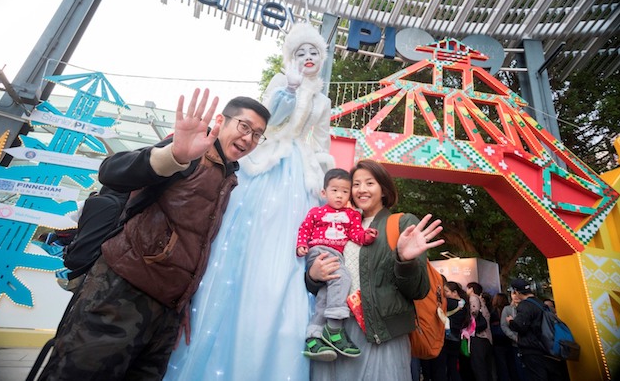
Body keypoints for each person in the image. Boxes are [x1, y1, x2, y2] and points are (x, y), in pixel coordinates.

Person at [38, 90, 271, 380]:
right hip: (120, 292)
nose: (249, 138)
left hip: (165, 314)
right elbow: (111, 171)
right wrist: (174, 155)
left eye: (257, 134)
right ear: (221, 120)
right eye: (244, 126)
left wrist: (181, 303)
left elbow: (195, 244)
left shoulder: (229, 177)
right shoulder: (189, 154)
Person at [165, 22, 335, 381]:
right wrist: (287, 90)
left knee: (287, 256)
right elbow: (268, 121)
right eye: (301, 52)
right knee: (237, 240)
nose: (307, 58)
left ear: (322, 59)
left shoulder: (323, 101)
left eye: (314, 53)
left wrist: (320, 173)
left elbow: (321, 142)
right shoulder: (279, 81)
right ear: (291, 56)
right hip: (266, 163)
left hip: (298, 175)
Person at [306, 159, 444, 381]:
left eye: (369, 183)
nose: (361, 189)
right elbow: (323, 280)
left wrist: (404, 260)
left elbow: (418, 290)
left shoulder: (402, 224)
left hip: (382, 333)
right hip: (338, 328)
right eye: (356, 184)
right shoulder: (339, 223)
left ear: (383, 189)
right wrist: (313, 276)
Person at [297, 168, 378, 361]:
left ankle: (313, 337)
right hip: (320, 252)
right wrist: (301, 244)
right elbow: (305, 228)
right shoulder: (316, 212)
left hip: (338, 256)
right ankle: (334, 327)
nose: (340, 196)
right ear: (324, 193)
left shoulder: (352, 216)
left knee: (325, 295)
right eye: (335, 191)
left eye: (344, 191)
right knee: (343, 277)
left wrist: (366, 237)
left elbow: (355, 235)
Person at [507, 278, 569, 381]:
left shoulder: (525, 305)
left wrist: (511, 322)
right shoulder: (540, 303)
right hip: (547, 346)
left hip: (532, 349)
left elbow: (521, 326)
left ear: (516, 292)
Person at [466, 282, 494, 381]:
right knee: (486, 367)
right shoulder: (483, 301)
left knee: (479, 367)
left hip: (478, 336)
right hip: (487, 338)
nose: (466, 291)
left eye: (467, 289)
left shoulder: (473, 298)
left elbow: (474, 312)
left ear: (472, 289)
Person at [444, 281, 471, 381]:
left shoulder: (449, 303)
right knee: (453, 367)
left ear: (454, 292)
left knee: (445, 368)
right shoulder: (463, 305)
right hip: (456, 338)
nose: (444, 294)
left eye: (446, 291)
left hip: (447, 338)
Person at [491, 292, 519, 381]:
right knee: (512, 364)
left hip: (498, 341)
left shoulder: (493, 312)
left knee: (502, 366)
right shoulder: (510, 310)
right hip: (510, 340)